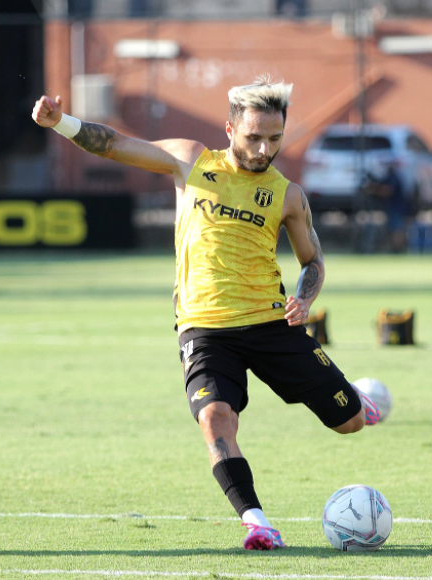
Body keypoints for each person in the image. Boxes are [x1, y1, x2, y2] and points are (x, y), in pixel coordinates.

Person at [31, 76, 380, 550]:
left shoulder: (288, 195)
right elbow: (114, 144)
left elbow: (312, 261)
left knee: (349, 423)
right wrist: (62, 123)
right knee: (215, 419)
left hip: (272, 323)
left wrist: (307, 294)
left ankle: (362, 401)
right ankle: (257, 522)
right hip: (205, 329)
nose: (263, 150)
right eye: (253, 137)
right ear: (230, 128)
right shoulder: (192, 160)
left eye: (274, 139)